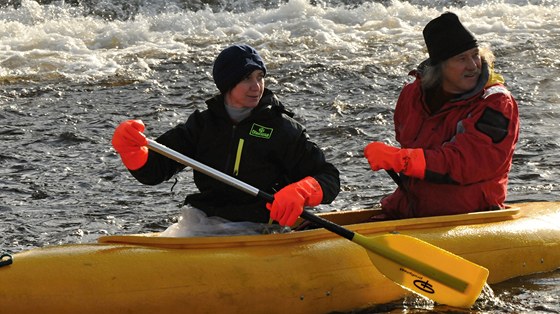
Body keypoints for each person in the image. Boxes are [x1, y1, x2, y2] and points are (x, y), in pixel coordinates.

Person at [112, 44, 340, 230]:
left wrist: (301, 191)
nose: (256, 86)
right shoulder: (202, 125)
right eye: (246, 79)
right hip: (207, 219)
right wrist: (132, 151)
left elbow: (329, 177)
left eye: (260, 77)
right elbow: (154, 171)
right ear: (227, 83)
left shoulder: (282, 128)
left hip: (263, 224)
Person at [363, 12, 519, 219]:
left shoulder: (496, 102)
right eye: (461, 59)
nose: (473, 65)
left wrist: (401, 160)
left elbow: (466, 163)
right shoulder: (412, 95)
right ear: (439, 68)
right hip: (414, 211)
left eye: (475, 55)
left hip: (469, 217)